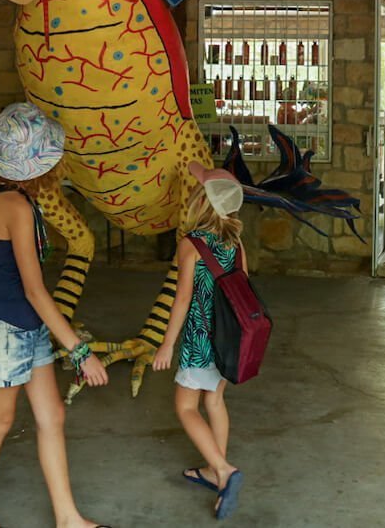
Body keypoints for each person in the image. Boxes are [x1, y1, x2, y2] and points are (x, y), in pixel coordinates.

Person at [0, 102, 111, 528]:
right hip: (8, 328)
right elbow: (34, 289)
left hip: (27, 325)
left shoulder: (17, 200)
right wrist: (80, 351)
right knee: (0, 419)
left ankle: (68, 518)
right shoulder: (16, 206)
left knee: (52, 416)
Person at [152, 161, 248, 520]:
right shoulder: (236, 243)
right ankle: (213, 469)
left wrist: (167, 343)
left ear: (201, 201)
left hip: (200, 341)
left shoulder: (190, 244)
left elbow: (182, 299)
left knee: (186, 407)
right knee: (215, 401)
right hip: (230, 340)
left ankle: (223, 470)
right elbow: (243, 291)